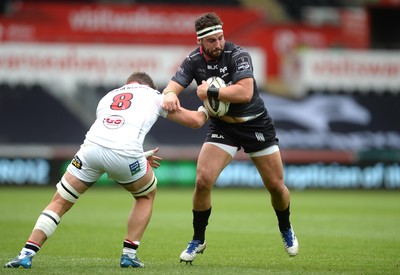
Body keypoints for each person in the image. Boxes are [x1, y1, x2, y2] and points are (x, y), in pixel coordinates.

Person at [4, 71, 209, 269]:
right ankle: (129, 255)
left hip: (90, 150)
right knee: (146, 195)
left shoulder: (108, 96)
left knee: (59, 201)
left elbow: (112, 131)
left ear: (130, 83)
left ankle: (26, 254)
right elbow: (195, 122)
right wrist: (207, 109)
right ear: (148, 86)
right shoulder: (154, 96)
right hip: (125, 154)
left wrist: (138, 154)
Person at [162, 12, 299, 264]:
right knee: (202, 181)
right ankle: (198, 239)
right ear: (200, 41)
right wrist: (170, 95)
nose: (218, 44)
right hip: (223, 127)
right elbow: (172, 86)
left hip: (255, 124)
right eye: (212, 41)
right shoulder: (193, 60)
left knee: (276, 187)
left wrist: (210, 89)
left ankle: (285, 228)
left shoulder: (238, 55)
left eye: (220, 38)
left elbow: (245, 93)